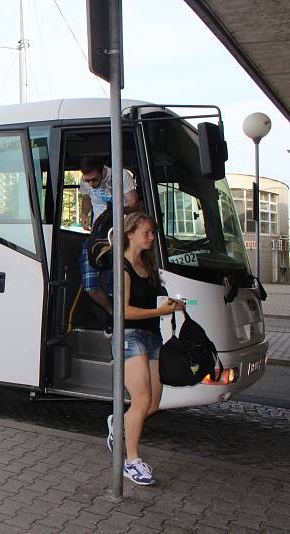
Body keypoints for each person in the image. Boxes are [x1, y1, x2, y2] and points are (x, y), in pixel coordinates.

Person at [105, 213, 184, 486]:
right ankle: (131, 462)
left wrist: (170, 305)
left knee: (152, 403)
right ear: (130, 233)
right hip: (129, 336)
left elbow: (153, 302)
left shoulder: (147, 266)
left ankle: (118, 423)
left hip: (152, 336)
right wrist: (158, 310)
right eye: (147, 233)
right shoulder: (122, 267)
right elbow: (123, 311)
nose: (152, 238)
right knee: (141, 401)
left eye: (153, 233)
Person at [78, 156, 141, 316]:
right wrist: (85, 213)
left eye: (94, 180)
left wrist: (117, 211)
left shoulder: (121, 176)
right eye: (88, 180)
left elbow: (134, 204)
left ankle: (122, 317)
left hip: (122, 234)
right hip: (98, 235)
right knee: (90, 284)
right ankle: (112, 313)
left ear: (103, 171)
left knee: (118, 283)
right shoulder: (85, 181)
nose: (91, 183)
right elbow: (86, 197)